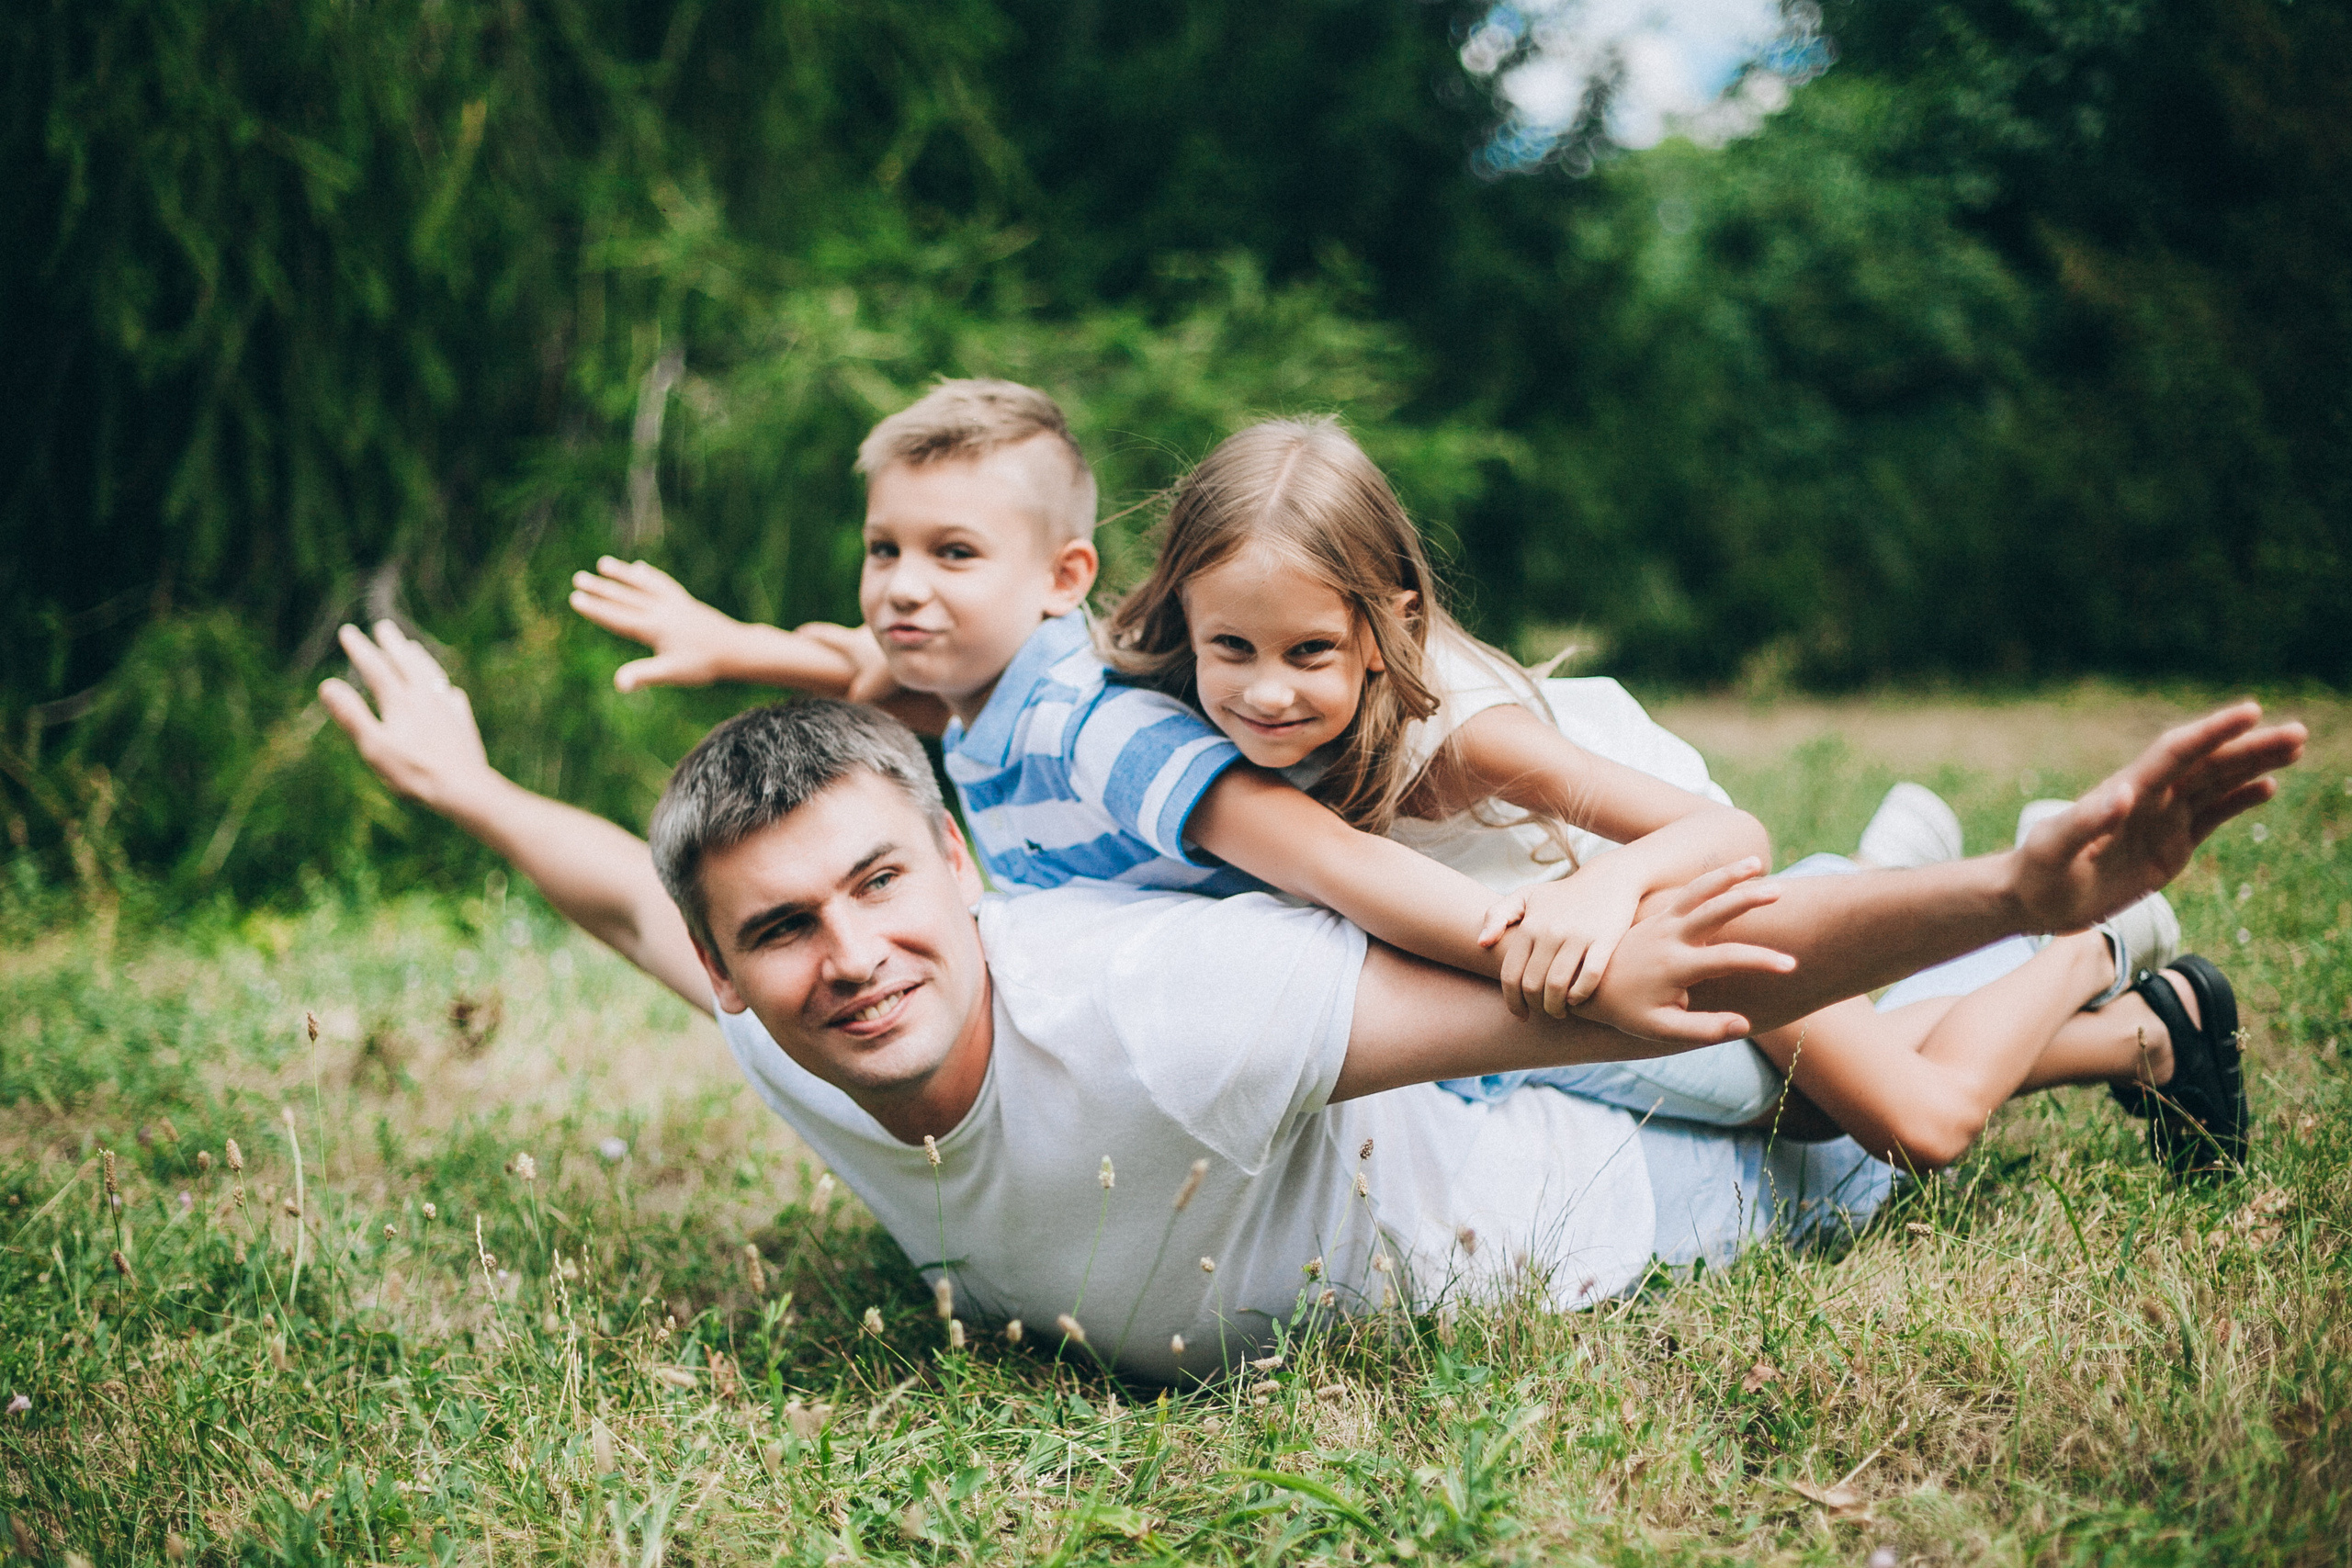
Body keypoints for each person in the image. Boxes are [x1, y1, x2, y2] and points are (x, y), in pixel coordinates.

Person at [318, 630, 2301, 1381]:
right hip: (1392, 1142)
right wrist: (477, 787)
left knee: (1847, 1152)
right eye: (776, 932)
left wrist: (1999, 895)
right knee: (1860, 1086)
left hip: (1510, 1215)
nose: (844, 957)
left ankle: (2065, 943)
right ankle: (2119, 1010)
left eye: (878, 888)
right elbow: (620, 895)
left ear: (963, 875)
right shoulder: (781, 1018)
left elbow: (1643, 994)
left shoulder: (1161, 1001)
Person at [1095, 416, 2224, 1173]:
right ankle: (2145, 1035)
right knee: (1812, 1108)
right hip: (1607, 972)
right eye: (1230, 647)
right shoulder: (1172, 708)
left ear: (1384, 627)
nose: (1264, 690)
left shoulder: (1462, 745)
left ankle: (2094, 947)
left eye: (1308, 653)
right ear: (1183, 618)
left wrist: (1605, 895)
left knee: (1913, 1126)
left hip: (1680, 903)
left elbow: (1727, 834)